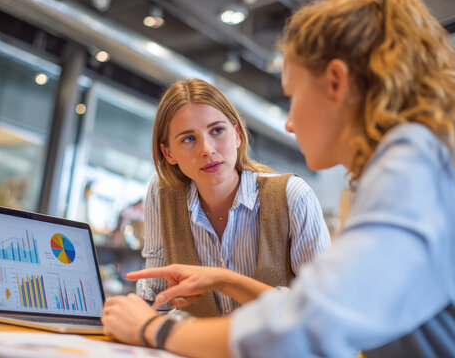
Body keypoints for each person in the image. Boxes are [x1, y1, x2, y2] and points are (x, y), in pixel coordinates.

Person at [101, 0, 455, 356]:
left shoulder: (413, 171)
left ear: (335, 81)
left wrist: (154, 330)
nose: (290, 123)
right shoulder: (425, 160)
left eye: (292, 94)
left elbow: (312, 324)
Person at [136, 78, 331, 317]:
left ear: (237, 134)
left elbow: (320, 309)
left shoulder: (293, 196)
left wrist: (223, 281)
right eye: (188, 138)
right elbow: (157, 295)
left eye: (217, 130)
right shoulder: (163, 193)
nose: (207, 149)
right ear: (168, 153)